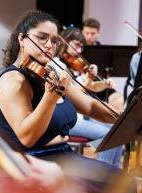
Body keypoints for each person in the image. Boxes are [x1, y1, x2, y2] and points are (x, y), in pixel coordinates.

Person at [0, 10, 136, 193]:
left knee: (125, 183)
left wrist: (126, 117)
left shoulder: (48, 73)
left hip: (64, 155)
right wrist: (50, 98)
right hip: (34, 162)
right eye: (42, 38)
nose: (49, 46)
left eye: (54, 41)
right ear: (22, 38)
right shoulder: (13, 81)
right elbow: (27, 137)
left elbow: (90, 107)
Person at [49, 27, 123, 168]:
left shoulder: (76, 65)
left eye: (81, 45)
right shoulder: (58, 64)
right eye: (76, 44)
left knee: (118, 130)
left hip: (81, 116)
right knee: (108, 136)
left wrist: (104, 84)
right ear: (66, 42)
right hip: (69, 119)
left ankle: (115, 175)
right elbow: (72, 94)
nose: (80, 49)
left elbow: (91, 87)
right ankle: (103, 176)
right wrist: (88, 78)